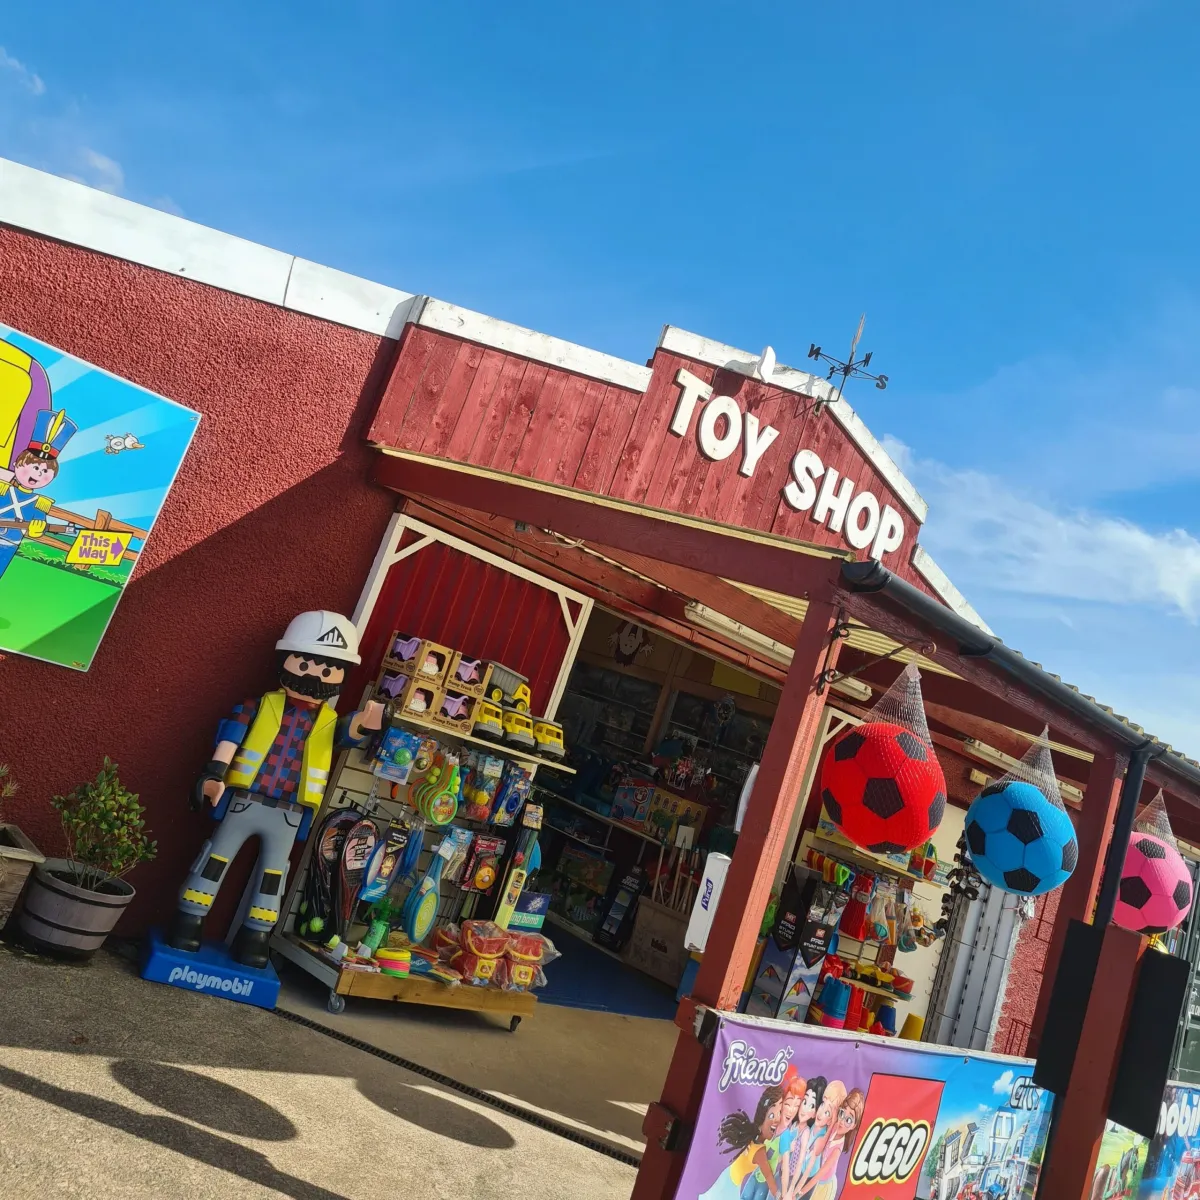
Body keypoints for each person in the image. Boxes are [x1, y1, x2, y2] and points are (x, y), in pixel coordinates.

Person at [166, 611, 386, 968]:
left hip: (290, 812)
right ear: (286, 660)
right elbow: (231, 737)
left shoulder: (330, 721)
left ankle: (256, 935)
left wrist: (366, 722)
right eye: (306, 664)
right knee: (215, 861)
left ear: (341, 675)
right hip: (243, 800)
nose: (315, 676)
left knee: (273, 875)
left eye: (328, 670)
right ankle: (188, 919)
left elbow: (351, 733)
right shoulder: (259, 705)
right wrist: (214, 774)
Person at [0, 408, 76, 582]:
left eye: (45, 471)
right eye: (35, 467)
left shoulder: (39, 503)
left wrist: (36, 529)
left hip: (6, 546)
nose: (39, 473)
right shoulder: (2, 489)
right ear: (17, 464)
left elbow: (37, 529)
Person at [700, 1086, 784, 1200]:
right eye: (772, 1115)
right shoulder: (759, 1151)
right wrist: (780, 1196)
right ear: (762, 1116)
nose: (777, 1119)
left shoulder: (753, 1135)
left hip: (729, 1179)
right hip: (729, 1185)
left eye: (780, 1112)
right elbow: (768, 1176)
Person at [792, 1085, 864, 1200]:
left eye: (849, 1120)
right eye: (842, 1113)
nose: (842, 1121)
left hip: (824, 1186)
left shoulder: (837, 1150)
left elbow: (819, 1174)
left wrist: (799, 1193)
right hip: (813, 1179)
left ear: (854, 1125)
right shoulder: (833, 1125)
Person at [778, 1077, 826, 1200]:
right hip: (782, 1174)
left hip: (793, 1177)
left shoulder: (806, 1133)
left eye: (811, 1106)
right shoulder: (792, 1127)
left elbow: (800, 1163)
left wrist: (791, 1190)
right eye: (804, 1102)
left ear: (815, 1113)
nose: (805, 1109)